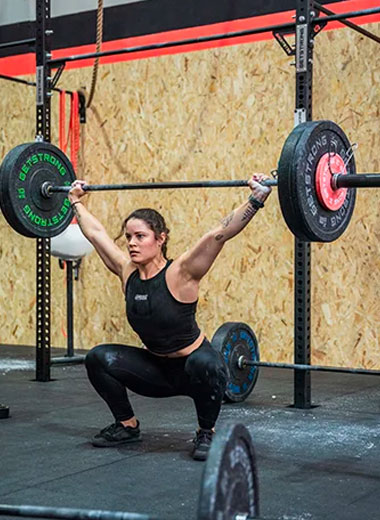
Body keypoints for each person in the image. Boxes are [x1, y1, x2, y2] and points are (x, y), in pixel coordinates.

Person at [68, 174, 272, 460]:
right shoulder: (127, 272)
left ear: (160, 239)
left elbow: (220, 233)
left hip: (194, 369)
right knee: (98, 358)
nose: (131, 243)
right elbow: (96, 234)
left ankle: (206, 432)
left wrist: (257, 197)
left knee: (207, 362)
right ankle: (127, 425)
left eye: (140, 236)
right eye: (128, 237)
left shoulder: (182, 272)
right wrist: (75, 201)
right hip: (155, 371)